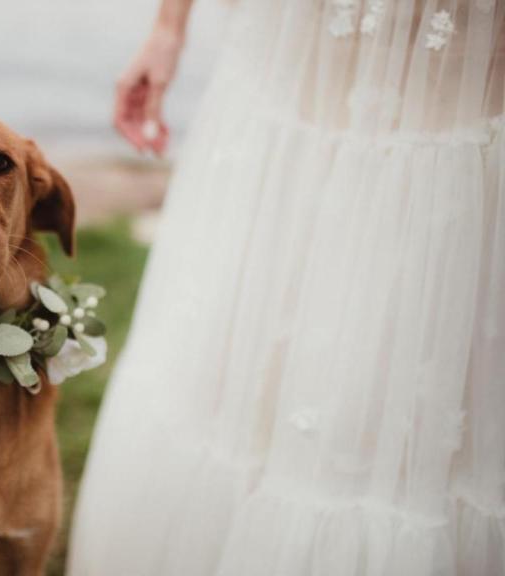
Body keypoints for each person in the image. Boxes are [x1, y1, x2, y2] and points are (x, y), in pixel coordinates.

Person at [69, 1, 504, 575]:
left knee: (396, 422)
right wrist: (168, 29)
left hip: (458, 103)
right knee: (228, 374)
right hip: (286, 81)